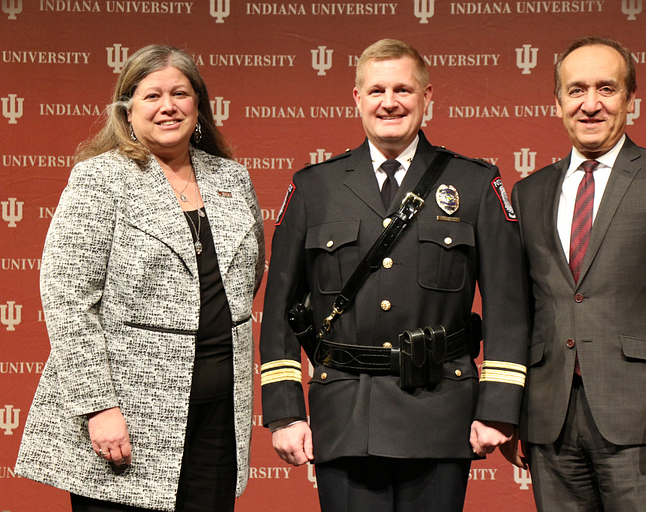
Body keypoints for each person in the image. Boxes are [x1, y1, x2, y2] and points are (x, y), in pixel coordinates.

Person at [259, 39, 528, 512]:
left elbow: (508, 305)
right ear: (357, 99)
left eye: (403, 89)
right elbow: (281, 311)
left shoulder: (474, 184)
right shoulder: (313, 187)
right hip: (344, 413)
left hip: (441, 409)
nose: (390, 102)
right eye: (377, 90)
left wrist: (499, 408)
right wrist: (284, 412)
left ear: (428, 98)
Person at [15, 45, 265, 512]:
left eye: (180, 93)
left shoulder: (232, 177)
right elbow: (68, 298)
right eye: (152, 95)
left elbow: (247, 277)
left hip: (217, 418)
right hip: (127, 416)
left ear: (199, 106)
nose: (167, 106)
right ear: (128, 109)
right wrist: (98, 406)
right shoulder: (100, 178)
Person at [508, 36, 646, 511]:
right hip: (549, 421)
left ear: (630, 99)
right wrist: (508, 411)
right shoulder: (529, 192)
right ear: (558, 101)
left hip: (644, 418)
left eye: (606, 89)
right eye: (576, 90)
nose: (590, 104)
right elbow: (520, 312)